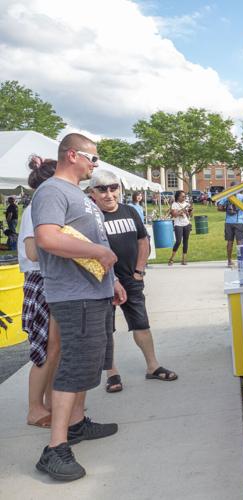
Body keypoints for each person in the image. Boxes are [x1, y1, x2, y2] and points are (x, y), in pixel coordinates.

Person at [31, 133, 127, 481]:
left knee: (90, 362)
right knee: (73, 366)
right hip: (74, 295)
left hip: (94, 291)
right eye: (93, 159)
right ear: (72, 155)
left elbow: (91, 239)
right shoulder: (53, 191)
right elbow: (47, 237)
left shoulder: (77, 194)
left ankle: (76, 424)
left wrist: (111, 279)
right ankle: (54, 448)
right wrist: (100, 254)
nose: (95, 166)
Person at [90, 170, 178, 393]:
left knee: (141, 323)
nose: (109, 194)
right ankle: (112, 374)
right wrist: (109, 278)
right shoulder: (90, 217)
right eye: (102, 189)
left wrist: (139, 271)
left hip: (131, 279)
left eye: (113, 188)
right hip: (103, 282)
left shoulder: (130, 211)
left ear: (119, 189)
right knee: (105, 329)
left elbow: (142, 240)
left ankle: (153, 366)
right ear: (92, 193)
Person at [19, 156, 61, 429]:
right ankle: (35, 408)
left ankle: (49, 401)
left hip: (51, 279)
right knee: (45, 350)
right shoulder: (36, 208)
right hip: (40, 280)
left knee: (56, 348)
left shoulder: (44, 207)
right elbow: (33, 251)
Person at [221, 188, 243, 267]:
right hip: (239, 221)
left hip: (228, 222)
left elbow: (219, 207)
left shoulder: (227, 196)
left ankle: (229, 261)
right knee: (240, 241)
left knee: (229, 242)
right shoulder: (242, 196)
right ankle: (241, 262)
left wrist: (226, 209)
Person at [168, 190, 192, 266]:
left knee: (186, 241)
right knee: (178, 241)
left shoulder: (187, 204)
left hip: (186, 224)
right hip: (178, 224)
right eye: (183, 196)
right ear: (178, 197)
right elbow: (174, 215)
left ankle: (184, 259)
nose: (184, 197)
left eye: (185, 196)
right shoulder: (174, 204)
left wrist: (190, 212)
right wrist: (181, 212)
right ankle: (171, 258)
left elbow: (190, 216)